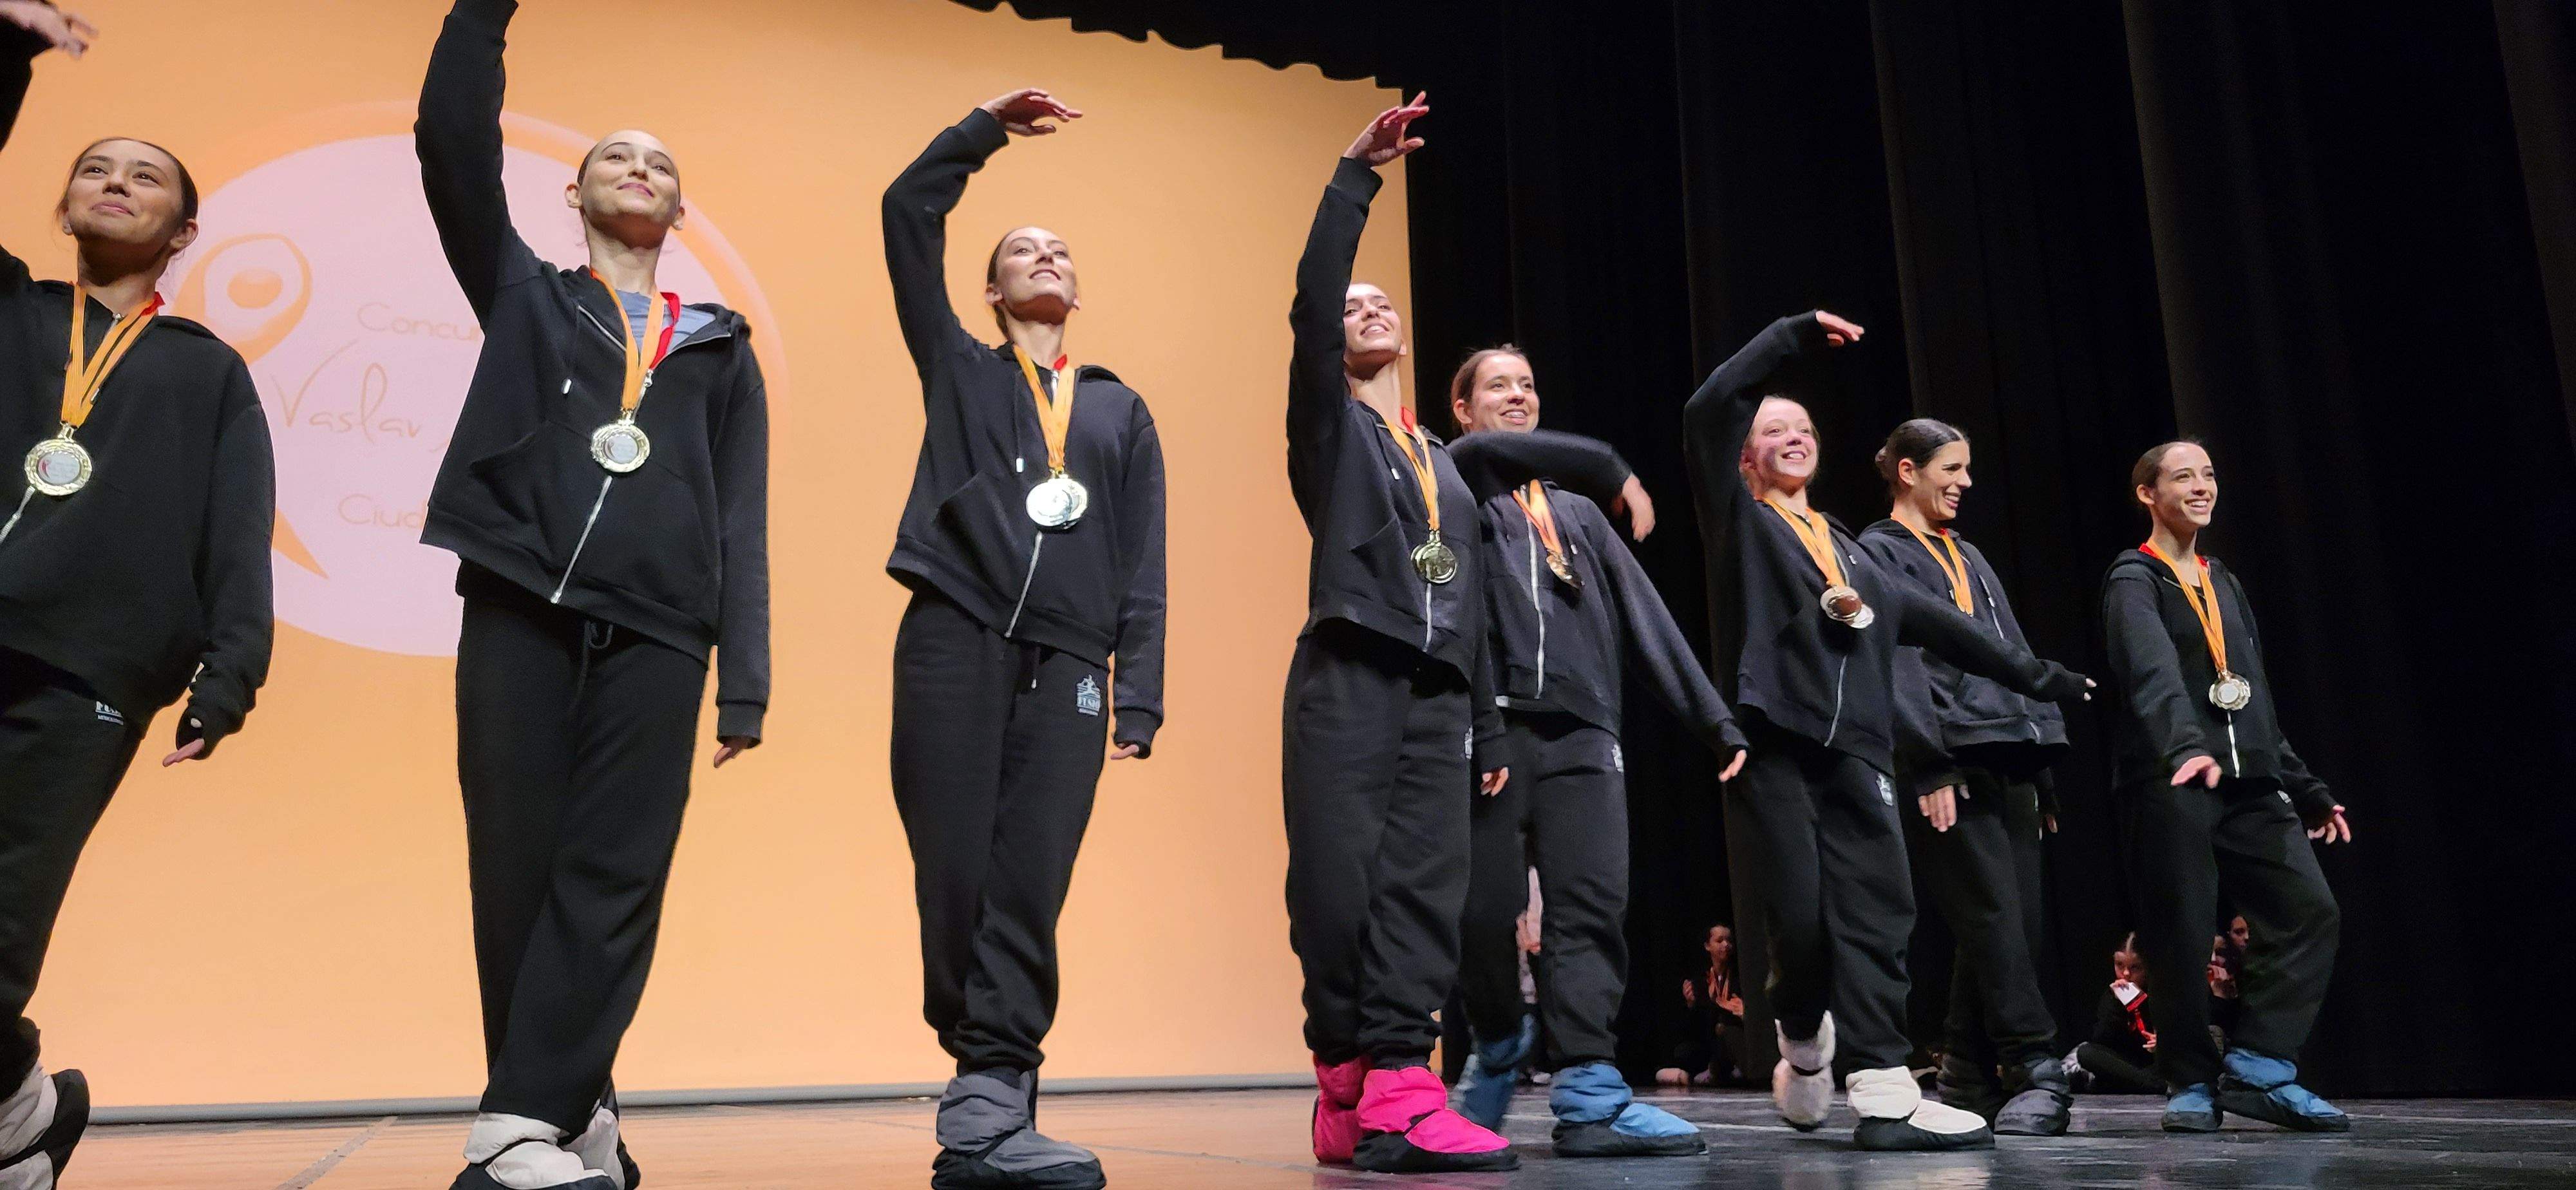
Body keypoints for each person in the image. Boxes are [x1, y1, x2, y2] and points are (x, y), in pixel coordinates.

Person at [416, 2, 771, 1186]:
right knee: (517, 864)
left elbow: (739, 516)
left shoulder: (719, 343)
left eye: (660, 163)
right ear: (572, 196)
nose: (638, 169)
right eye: (613, 155)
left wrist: (746, 681)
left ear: (677, 209)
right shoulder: (527, 292)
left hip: (664, 632)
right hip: (520, 599)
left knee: (617, 872)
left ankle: (527, 1120)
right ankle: (570, 1112)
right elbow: (450, 143)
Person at [1288, 94, 1627, 1175]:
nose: (1370, 306)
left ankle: (1397, 1081)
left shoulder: (1440, 453)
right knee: (1338, 891)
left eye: (1383, 298)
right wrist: (1355, 178)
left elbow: (1471, 595)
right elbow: (1311, 308)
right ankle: (1345, 1073)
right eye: (1354, 303)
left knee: (1426, 895)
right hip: (1349, 671)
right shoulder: (1330, 427)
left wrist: (1484, 722)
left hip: (1442, 691)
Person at [1678, 311, 2092, 1151]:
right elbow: (1705, 409)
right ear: (1746, 454)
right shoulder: (1740, 523)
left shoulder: (1850, 550)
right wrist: (1787, 338)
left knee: (1881, 915)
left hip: (1858, 749)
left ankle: (1883, 1091)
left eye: (1802, 427)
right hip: (1777, 741)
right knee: (1798, 919)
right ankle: (1801, 1035)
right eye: (1771, 429)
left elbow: (1941, 625)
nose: (1792, 437)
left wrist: (2037, 677)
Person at [0, 5, 274, 1183]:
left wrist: (231, 671)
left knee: (4, 921)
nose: (116, 181)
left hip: (89, 675)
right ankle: (17, 1101)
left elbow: (237, 528)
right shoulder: (8, 310)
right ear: (63, 207)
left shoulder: (207, 367)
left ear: (184, 227)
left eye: (145, 176)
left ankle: (11, 1107)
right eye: (94, 170)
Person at [879, 86, 1166, 1190]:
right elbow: (906, 211)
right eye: (1020, 250)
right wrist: (982, 132)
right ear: (991, 288)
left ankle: (994, 1085)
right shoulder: (960, 368)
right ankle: (983, 1074)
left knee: (1032, 878)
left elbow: (1143, 552)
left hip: (1074, 661)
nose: (1044, 258)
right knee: (954, 869)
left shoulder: (1117, 408)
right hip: (954, 634)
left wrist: (1136, 687)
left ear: (1075, 289)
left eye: (1058, 250)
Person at [1438, 345, 1747, 1158]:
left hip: (1585, 732)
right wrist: (1613, 463)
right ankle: (1499, 1039)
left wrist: (1712, 721)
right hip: (1494, 729)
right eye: (1497, 385)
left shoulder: (1574, 514)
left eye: (1528, 384)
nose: (1517, 396)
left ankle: (1589, 1092)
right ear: (1462, 409)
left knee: (1590, 916)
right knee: (1479, 913)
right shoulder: (1458, 485)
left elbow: (1647, 617)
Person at [2102, 440, 2351, 1135]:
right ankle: (2187, 1079)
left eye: (2209, 474)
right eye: (2183, 476)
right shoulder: (2134, 578)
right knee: (2180, 930)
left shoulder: (2224, 581)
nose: (2202, 486)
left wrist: (2303, 786)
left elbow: (2254, 698)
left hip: (2248, 782)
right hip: (2171, 778)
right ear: (2147, 494)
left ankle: (2259, 1065)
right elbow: (2148, 673)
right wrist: (2184, 746)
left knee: (2308, 910)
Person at [1856, 419, 2073, 1135]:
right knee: (1991, 920)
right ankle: (2034, 1064)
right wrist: (1926, 762)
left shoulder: (1967, 554)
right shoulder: (1878, 553)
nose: (1966, 482)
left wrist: (2041, 761)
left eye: (1968, 468)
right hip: (1950, 758)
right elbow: (1897, 661)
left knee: (2013, 928)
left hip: (2008, 752)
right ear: (1909, 472)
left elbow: (2011, 654)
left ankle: (1966, 1076)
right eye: (1951, 467)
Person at [1658, 924, 1756, 1089]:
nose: (1726, 945)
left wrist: (1743, 1012)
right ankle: (1712, 1072)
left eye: (1729, 941)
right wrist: (1691, 1005)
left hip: (1731, 1042)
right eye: (1719, 940)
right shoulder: (1700, 981)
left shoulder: (1740, 978)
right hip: (1709, 1045)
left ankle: (1714, 1073)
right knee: (1683, 1052)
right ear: (1707, 946)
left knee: (1724, 1029)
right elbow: (1694, 1027)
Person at [2072, 935, 2163, 1095]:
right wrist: (2118, 1004)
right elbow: (2101, 1040)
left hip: (2156, 1064)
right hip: (2126, 1067)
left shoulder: (2161, 993)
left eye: (2135, 968)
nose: (2126, 974)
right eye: (2120, 965)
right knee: (2085, 1052)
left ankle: (2147, 1084)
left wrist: (2163, 1044)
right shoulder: (2112, 995)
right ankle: (2150, 1085)